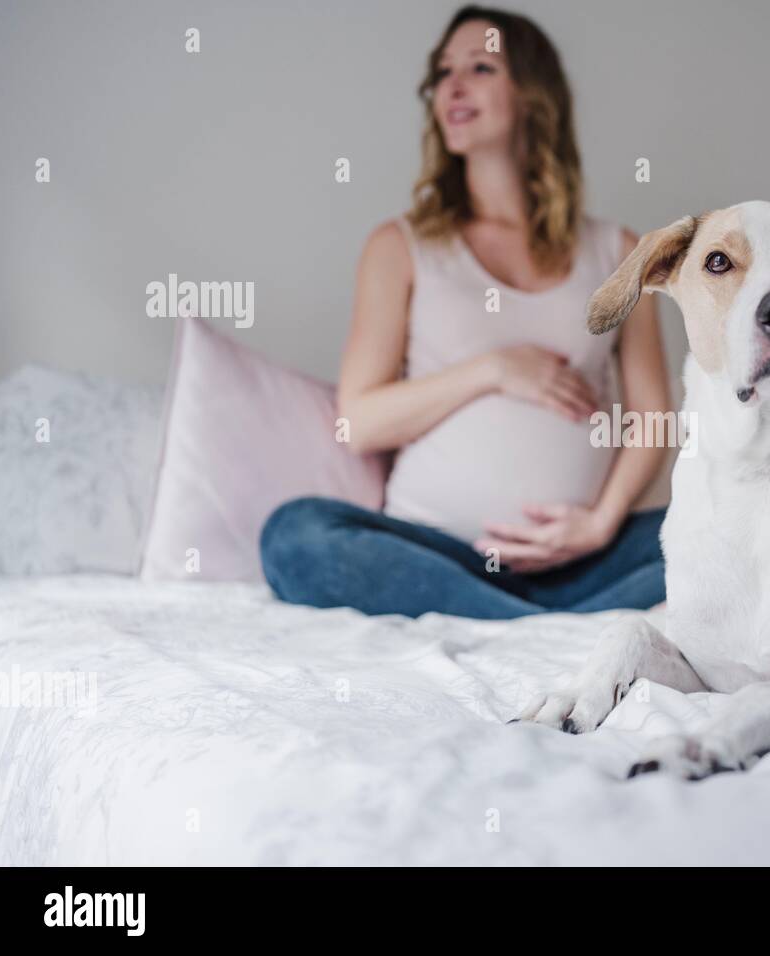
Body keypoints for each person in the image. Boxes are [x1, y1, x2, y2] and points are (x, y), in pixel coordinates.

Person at [260, 5, 670, 619]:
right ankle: (535, 630)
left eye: (480, 67)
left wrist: (599, 523)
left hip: (582, 560)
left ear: (534, 96)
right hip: (436, 554)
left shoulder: (618, 250)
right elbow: (361, 421)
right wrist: (493, 369)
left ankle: (519, 621)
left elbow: (654, 417)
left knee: (730, 525)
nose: (452, 86)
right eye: (442, 72)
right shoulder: (401, 246)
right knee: (294, 535)